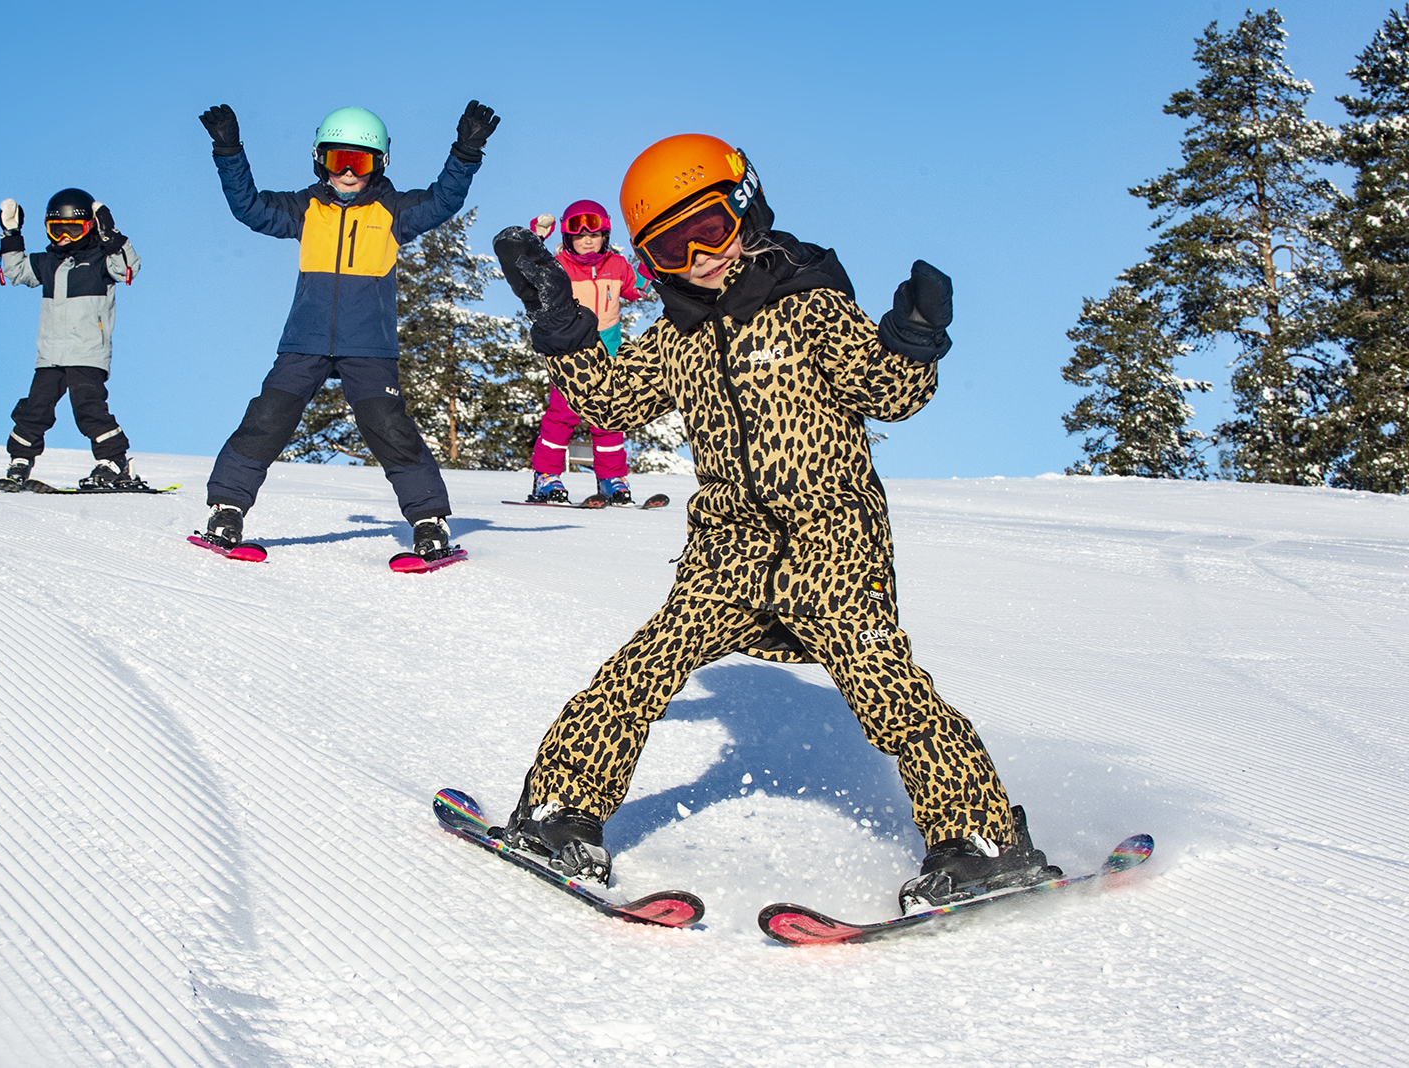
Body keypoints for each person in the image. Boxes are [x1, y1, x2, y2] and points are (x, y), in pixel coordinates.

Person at [490, 133, 1060, 914]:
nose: (700, 258)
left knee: (885, 687)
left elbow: (884, 390)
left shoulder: (809, 304)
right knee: (639, 669)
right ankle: (561, 813)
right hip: (728, 548)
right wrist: (561, 323)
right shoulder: (679, 336)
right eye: (672, 246)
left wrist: (914, 339)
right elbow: (610, 403)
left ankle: (978, 839)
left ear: (747, 209)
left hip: (831, 541)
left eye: (711, 230)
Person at [191, 100, 498, 558]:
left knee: (390, 429)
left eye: (361, 161)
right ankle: (227, 510)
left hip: (370, 347)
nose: (350, 173)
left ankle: (429, 520)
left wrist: (466, 151)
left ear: (380, 164)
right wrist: (229, 150)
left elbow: (442, 200)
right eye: (339, 161)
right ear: (320, 160)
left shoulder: (394, 211)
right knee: (267, 419)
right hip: (305, 342)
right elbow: (250, 207)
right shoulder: (305, 209)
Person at [0, 188, 146, 491]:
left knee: (89, 409)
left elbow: (128, 268)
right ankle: (20, 460)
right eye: (56, 229)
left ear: (89, 228)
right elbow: (17, 271)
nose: (63, 237)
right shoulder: (48, 263)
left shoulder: (102, 261)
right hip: (50, 354)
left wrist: (112, 236)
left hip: (87, 353)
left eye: (72, 229)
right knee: (34, 408)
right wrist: (11, 234)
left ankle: (113, 461)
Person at [524, 201, 647, 505]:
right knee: (562, 416)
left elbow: (637, 289)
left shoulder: (617, 265)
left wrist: (651, 259)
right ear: (568, 238)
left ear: (605, 234)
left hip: (608, 354)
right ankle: (546, 477)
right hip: (570, 355)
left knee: (608, 418)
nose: (588, 240)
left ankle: (612, 479)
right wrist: (536, 240)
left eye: (595, 234)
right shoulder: (560, 265)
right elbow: (533, 274)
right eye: (579, 236)